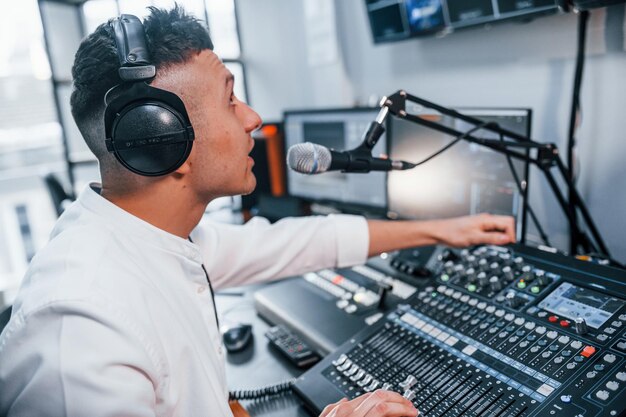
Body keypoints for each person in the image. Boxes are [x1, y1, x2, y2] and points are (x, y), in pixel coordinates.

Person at [0, 6, 515, 417]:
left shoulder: (156, 238)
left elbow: (296, 242)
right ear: (160, 138)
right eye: (230, 101)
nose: (253, 117)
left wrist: (447, 229)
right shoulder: (82, 335)